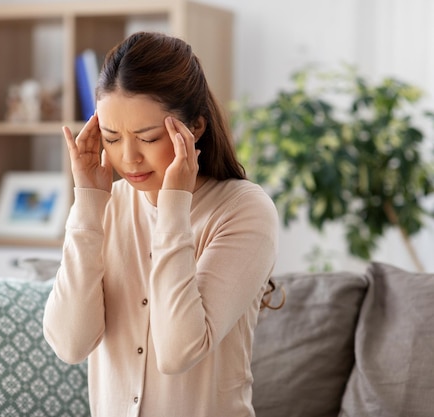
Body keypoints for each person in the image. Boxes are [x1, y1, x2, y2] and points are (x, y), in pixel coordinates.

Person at [43, 31, 281, 417]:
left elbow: (177, 351)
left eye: (148, 137)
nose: (129, 158)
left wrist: (173, 208)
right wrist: (87, 203)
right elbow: (70, 345)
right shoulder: (108, 206)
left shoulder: (245, 210)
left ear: (196, 128)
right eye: (112, 138)